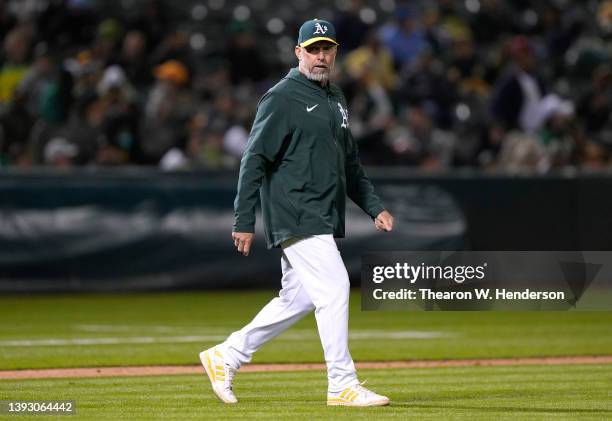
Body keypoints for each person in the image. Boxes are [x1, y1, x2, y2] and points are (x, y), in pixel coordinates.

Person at [199, 18, 394, 407]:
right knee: (336, 286)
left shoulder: (335, 96)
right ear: (298, 52)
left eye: (328, 48)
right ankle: (341, 383)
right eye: (314, 48)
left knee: (299, 298)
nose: (321, 56)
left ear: (336, 52)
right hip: (296, 211)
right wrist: (243, 219)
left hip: (321, 212)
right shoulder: (282, 97)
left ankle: (228, 354)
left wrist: (374, 206)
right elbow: (253, 158)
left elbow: (350, 163)